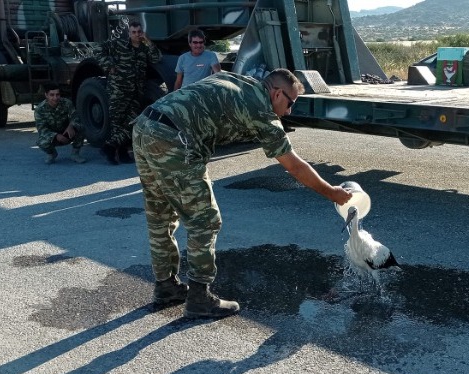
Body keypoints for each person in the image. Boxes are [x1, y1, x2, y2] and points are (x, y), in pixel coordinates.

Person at [131, 69, 352, 318]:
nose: (289, 111)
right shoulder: (261, 111)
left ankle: (166, 287)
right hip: (174, 138)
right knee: (205, 220)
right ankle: (199, 298)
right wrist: (332, 192)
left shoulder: (242, 81)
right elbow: (295, 166)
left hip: (144, 126)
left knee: (160, 214)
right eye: (289, 103)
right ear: (277, 93)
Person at [97, 19, 161, 164]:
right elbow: (98, 49)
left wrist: (149, 42)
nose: (136, 35)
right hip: (118, 90)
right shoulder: (118, 44)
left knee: (131, 122)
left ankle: (110, 146)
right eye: (133, 32)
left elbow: (157, 57)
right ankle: (117, 153)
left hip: (136, 91)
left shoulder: (145, 48)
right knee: (117, 122)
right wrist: (108, 65)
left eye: (139, 32)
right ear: (129, 32)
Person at [34, 82, 86, 164]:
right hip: (53, 137)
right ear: (46, 95)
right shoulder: (40, 109)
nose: (55, 98)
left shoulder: (66, 103)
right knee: (41, 142)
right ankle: (52, 154)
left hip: (67, 133)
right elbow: (42, 129)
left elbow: (75, 116)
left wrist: (71, 125)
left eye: (57, 94)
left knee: (81, 127)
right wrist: (56, 136)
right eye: (52, 95)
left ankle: (75, 154)